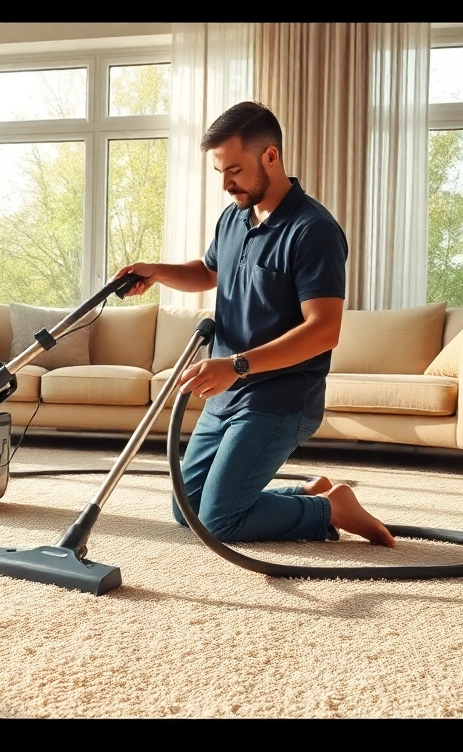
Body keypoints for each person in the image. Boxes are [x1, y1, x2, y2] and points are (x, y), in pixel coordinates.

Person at [113, 100, 394, 547]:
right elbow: (209, 272)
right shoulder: (234, 216)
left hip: (280, 398)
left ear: (270, 156)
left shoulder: (313, 230)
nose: (226, 184)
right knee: (186, 510)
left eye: (234, 170)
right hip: (227, 392)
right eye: (220, 172)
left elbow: (324, 330)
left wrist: (236, 366)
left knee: (218, 522)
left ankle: (332, 510)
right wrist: (157, 271)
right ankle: (311, 495)